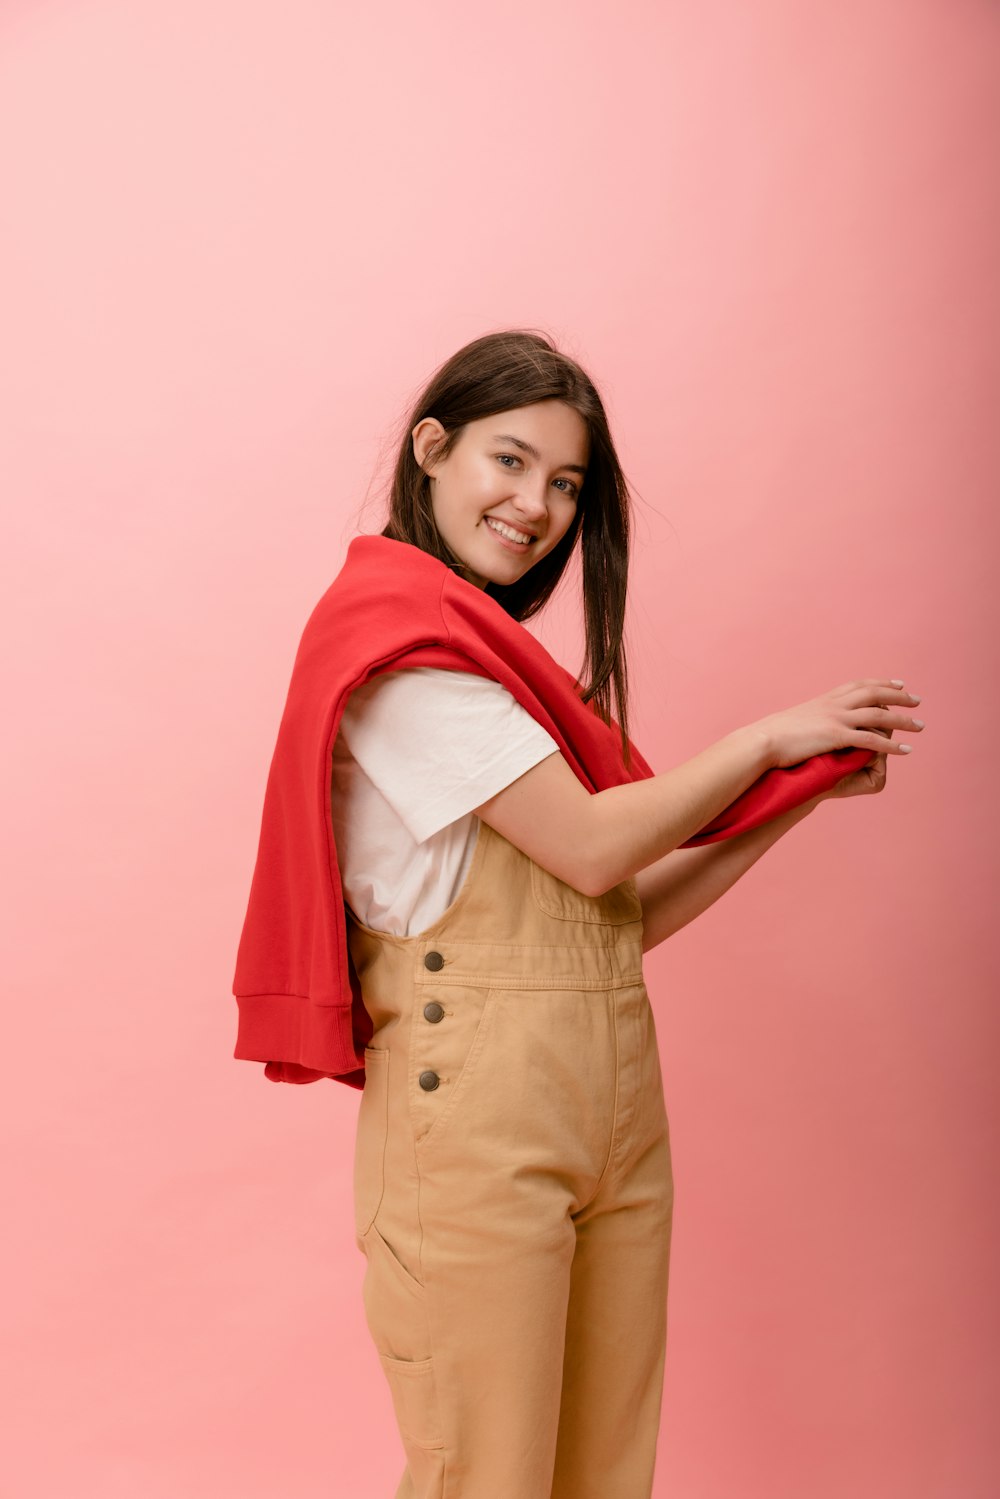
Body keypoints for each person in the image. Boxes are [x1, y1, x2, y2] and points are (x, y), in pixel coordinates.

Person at [245, 329, 925, 1499]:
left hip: (607, 1099)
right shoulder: (402, 660)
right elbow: (600, 844)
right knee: (488, 1476)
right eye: (509, 462)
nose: (536, 504)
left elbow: (614, 919)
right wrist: (765, 739)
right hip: (476, 1123)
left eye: (565, 483)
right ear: (430, 450)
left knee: (602, 1476)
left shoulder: (488, 664)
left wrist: (792, 800)